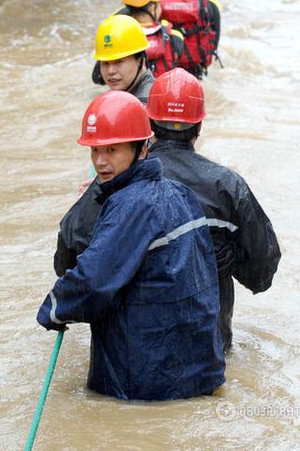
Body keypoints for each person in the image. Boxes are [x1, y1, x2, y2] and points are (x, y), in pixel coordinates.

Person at [37, 92, 225, 401]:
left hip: (146, 384)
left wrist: (54, 310)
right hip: (200, 371)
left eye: (111, 150)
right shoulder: (181, 194)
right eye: (95, 149)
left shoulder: (131, 205)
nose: (100, 161)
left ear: (142, 149)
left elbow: (92, 281)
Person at [146, 68, 281, 351]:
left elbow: (70, 258)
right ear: (199, 126)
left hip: (135, 353)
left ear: (149, 121)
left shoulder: (120, 182)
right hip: (208, 349)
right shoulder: (227, 186)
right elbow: (262, 270)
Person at [120, 0, 185, 77]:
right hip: (161, 90)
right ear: (152, 8)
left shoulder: (119, 36)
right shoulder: (175, 37)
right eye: (159, 5)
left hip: (128, 92)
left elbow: (97, 77)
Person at [91, 14, 154, 103]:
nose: (110, 71)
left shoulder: (147, 105)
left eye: (119, 62)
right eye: (105, 63)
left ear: (140, 60)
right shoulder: (128, 95)